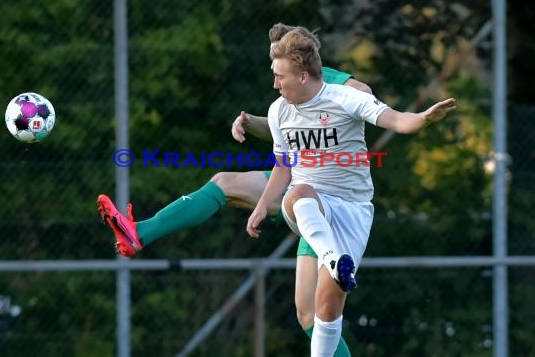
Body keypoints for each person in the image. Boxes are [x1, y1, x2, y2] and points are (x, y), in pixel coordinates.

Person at [97, 24, 370, 357]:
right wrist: (249, 121)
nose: (276, 77)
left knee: (311, 314)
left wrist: (360, 99)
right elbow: (284, 130)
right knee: (224, 183)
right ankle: (139, 232)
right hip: (299, 186)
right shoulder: (291, 89)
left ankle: (140, 232)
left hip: (328, 198)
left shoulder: (326, 80)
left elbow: (362, 92)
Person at [246, 28, 456, 356]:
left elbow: (398, 120)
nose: (275, 84)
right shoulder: (278, 112)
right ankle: (332, 257)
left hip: (353, 209)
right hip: (308, 204)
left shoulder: (345, 98)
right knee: (300, 191)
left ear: (303, 76)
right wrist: (262, 206)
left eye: (280, 76)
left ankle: (335, 266)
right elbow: (283, 166)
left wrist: (424, 119)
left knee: (328, 309)